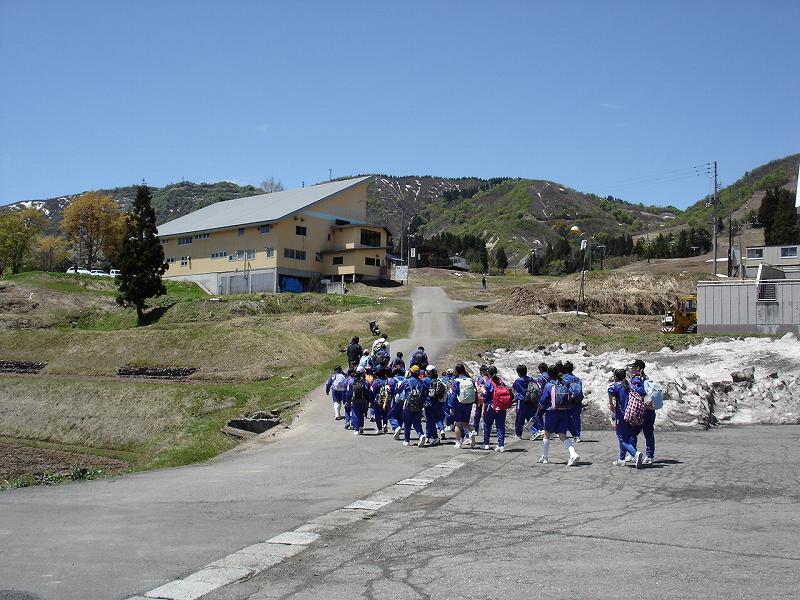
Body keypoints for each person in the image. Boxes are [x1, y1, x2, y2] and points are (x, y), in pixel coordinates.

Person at [536, 365, 580, 466]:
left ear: (549, 374)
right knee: (562, 435)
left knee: (547, 434)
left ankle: (545, 457)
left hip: (551, 412)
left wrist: (539, 410)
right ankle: (573, 453)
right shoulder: (563, 383)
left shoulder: (548, 385)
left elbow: (543, 400)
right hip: (564, 411)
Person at [608, 368, 644, 469]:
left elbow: (610, 391)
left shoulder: (616, 386)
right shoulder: (629, 385)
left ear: (616, 377)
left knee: (621, 438)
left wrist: (611, 404)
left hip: (621, 415)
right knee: (628, 436)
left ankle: (634, 453)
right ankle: (621, 459)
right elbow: (641, 392)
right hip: (631, 414)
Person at [629, 359, 654, 465]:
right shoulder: (647, 378)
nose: (631, 369)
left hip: (640, 411)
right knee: (649, 434)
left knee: (632, 433)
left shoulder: (636, 379)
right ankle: (649, 456)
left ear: (638, 368)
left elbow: (640, 391)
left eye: (633, 367)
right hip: (650, 409)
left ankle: (633, 453)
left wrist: (630, 387)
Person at [483, 366, 512, 452]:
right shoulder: (501, 382)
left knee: (487, 425)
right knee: (500, 426)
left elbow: (485, 397)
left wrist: (484, 409)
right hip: (502, 407)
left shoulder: (488, 383)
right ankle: (501, 445)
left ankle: (486, 444)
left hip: (491, 406)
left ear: (488, 373)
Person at [448, 363, 477, 449]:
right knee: (465, 423)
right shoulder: (470, 380)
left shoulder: (456, 381)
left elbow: (453, 394)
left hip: (459, 404)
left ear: (456, 371)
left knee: (458, 424)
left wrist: (450, 405)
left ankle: (458, 442)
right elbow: (475, 391)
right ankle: (469, 434)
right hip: (468, 404)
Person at [401, 364, 429, 446]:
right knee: (417, 422)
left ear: (411, 372)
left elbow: (399, 389)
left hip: (408, 404)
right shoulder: (422, 382)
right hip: (418, 405)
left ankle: (407, 440)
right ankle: (421, 435)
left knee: (407, 422)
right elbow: (425, 394)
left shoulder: (406, 381)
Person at [512, 364, 536, 440]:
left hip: (521, 401)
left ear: (519, 373)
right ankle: (535, 431)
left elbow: (514, 388)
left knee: (520, 418)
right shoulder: (531, 379)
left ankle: (518, 434)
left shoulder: (518, 381)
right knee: (530, 417)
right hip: (530, 400)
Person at [424, 365, 447, 445]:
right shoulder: (437, 380)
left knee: (430, 420)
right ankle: (428, 436)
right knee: (434, 419)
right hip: (437, 402)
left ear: (428, 372)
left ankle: (435, 437)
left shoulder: (425, 380)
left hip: (428, 403)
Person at [561, 361, 583, 443]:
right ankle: (577, 436)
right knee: (576, 418)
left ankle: (564, 433)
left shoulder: (565, 379)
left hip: (569, 401)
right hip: (577, 401)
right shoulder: (577, 379)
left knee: (566, 417)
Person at [530, 362, 549, 440]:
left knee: (538, 414)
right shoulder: (550, 376)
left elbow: (540, 389)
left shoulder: (541, 378)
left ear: (540, 369)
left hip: (544, 398)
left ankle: (541, 429)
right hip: (551, 398)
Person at [348, 367, 370, 435]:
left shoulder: (351, 382)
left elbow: (348, 392)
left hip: (354, 400)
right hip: (363, 400)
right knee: (361, 413)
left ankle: (356, 429)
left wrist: (347, 400)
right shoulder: (365, 382)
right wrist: (369, 400)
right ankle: (361, 426)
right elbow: (368, 392)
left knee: (355, 414)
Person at [388, 365, 406, 439]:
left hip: (396, 398)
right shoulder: (405, 379)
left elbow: (390, 390)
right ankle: (398, 429)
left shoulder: (392, 380)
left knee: (391, 414)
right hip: (405, 399)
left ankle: (396, 427)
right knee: (400, 414)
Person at [473, 365, 489, 436]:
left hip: (480, 399)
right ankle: (483, 429)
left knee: (478, 414)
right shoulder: (488, 379)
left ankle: (476, 429)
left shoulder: (479, 379)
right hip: (485, 399)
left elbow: (476, 387)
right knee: (483, 414)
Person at [371, 366, 388, 434]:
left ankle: (380, 429)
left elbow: (373, 392)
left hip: (377, 400)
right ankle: (385, 423)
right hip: (386, 399)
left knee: (377, 415)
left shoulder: (375, 382)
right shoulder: (387, 381)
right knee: (385, 413)